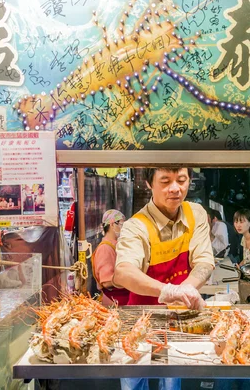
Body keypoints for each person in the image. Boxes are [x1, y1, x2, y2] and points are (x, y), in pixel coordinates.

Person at [114, 167, 215, 390]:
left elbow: (205, 261)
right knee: (133, 382)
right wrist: (168, 291)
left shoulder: (195, 213)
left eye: (181, 180)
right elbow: (123, 271)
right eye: (165, 181)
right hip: (140, 320)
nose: (175, 189)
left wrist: (185, 290)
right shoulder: (136, 225)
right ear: (149, 183)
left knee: (171, 383)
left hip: (176, 320)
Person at [91, 209, 130, 307]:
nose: (123, 228)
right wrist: (130, 279)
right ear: (112, 224)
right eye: (121, 224)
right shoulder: (105, 248)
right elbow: (107, 282)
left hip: (122, 299)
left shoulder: (116, 245)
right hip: (113, 300)